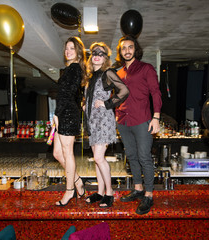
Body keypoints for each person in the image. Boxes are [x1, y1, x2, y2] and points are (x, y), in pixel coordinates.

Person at [115, 35, 162, 215]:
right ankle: (138, 188)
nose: (127, 50)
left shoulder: (146, 68)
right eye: (123, 48)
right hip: (123, 121)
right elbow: (118, 96)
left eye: (130, 47)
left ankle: (148, 195)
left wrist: (156, 117)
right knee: (132, 157)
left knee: (144, 157)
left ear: (135, 49)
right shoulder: (118, 73)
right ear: (120, 52)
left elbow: (156, 93)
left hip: (142, 120)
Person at [83, 42, 129, 208]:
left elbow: (124, 90)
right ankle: (100, 192)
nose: (97, 55)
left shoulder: (107, 73)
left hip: (103, 120)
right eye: (94, 52)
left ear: (105, 58)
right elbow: (90, 97)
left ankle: (109, 193)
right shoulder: (90, 77)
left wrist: (107, 103)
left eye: (101, 53)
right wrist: (85, 103)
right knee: (97, 159)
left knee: (98, 157)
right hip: (93, 121)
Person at [53, 36, 87, 206]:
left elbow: (67, 94)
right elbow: (67, 95)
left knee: (67, 153)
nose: (68, 51)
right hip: (63, 112)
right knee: (57, 154)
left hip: (67, 114)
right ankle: (78, 181)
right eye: (66, 48)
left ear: (78, 52)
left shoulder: (74, 69)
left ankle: (69, 191)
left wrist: (57, 114)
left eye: (72, 48)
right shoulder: (69, 69)